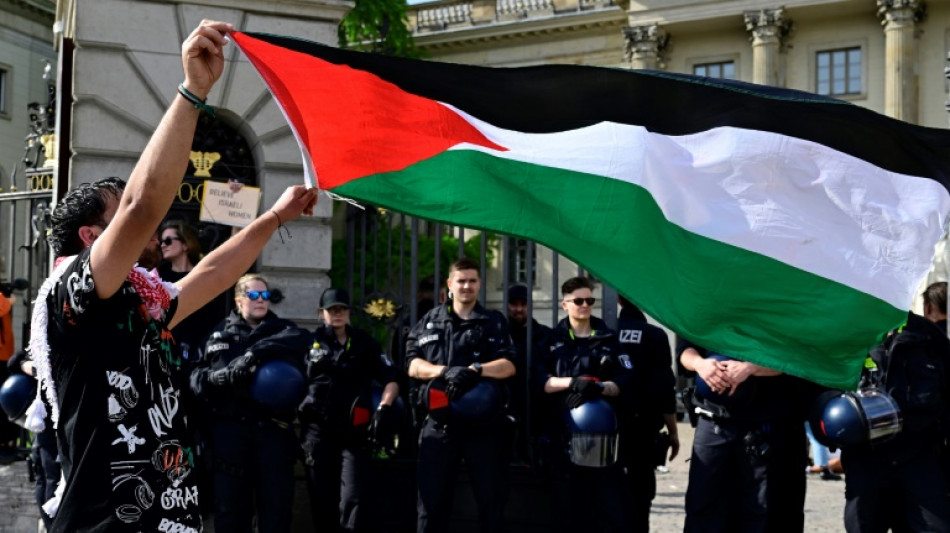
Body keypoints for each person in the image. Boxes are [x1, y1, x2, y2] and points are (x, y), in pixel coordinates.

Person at [28, 19, 319, 532]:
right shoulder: (72, 294)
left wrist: (274, 217)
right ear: (92, 240)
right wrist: (193, 92)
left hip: (168, 520)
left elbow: (212, 271)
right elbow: (142, 206)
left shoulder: (140, 298)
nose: (152, 227)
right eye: (117, 221)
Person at [190, 274, 310, 532]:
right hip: (230, 433)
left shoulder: (283, 330)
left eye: (265, 295)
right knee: (230, 510)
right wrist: (215, 378)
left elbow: (302, 340)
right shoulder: (217, 335)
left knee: (276, 509)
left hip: (272, 431)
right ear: (238, 300)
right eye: (254, 295)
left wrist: (254, 353)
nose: (260, 301)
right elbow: (193, 377)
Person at [406, 257, 517, 533]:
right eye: (461, 280)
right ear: (450, 284)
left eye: (472, 281)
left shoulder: (494, 322)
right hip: (439, 424)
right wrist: (444, 371)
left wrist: (475, 370)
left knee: (491, 503)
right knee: (431, 506)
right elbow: (412, 365)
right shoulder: (429, 322)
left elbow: (509, 365)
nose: (467, 286)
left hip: (484, 426)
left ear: (479, 285)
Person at [841, 281, 950, 533]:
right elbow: (824, 392)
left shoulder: (929, 336)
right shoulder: (847, 334)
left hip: (921, 458)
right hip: (866, 460)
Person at [299, 287, 404, 532]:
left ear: (349, 313)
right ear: (321, 313)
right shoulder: (308, 343)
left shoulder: (364, 343)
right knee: (321, 501)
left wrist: (383, 408)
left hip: (354, 433)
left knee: (353, 498)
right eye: (332, 309)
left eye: (342, 309)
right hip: (317, 433)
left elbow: (392, 378)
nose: (337, 314)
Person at [535, 276, 635, 532]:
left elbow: (626, 379)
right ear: (565, 304)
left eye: (589, 300)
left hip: (603, 442)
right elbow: (541, 380)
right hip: (562, 438)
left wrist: (599, 387)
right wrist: (572, 383)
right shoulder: (550, 340)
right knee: (565, 511)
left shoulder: (608, 339)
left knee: (606, 511)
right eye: (578, 301)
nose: (585, 305)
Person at [679, 342, 811, 533]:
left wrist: (752, 367)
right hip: (714, 423)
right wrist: (700, 364)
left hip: (770, 424)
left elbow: (801, 355)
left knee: (764, 511)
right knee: (703, 507)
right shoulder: (707, 312)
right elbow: (685, 348)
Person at [615, 295, 679, 532]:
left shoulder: (606, 331)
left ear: (619, 300)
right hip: (643, 427)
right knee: (640, 497)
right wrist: (673, 432)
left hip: (610, 427)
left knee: (610, 494)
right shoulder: (654, 335)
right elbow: (664, 389)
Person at [9, 348, 60, 530]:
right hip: (48, 410)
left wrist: (22, 363)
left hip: (51, 410)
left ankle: (52, 525)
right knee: (45, 473)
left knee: (48, 473)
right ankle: (52, 525)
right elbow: (44, 368)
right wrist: (24, 363)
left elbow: (46, 369)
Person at [159, 220, 226, 356]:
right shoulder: (159, 277)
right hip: (167, 346)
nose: (162, 245)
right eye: (161, 241)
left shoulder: (201, 274)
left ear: (185, 244)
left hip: (200, 345)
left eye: (168, 241)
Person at [505, 283, 551, 463]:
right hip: (507, 399)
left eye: (523, 304)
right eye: (514, 304)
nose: (518, 309)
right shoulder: (500, 333)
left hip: (536, 400)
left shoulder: (543, 334)